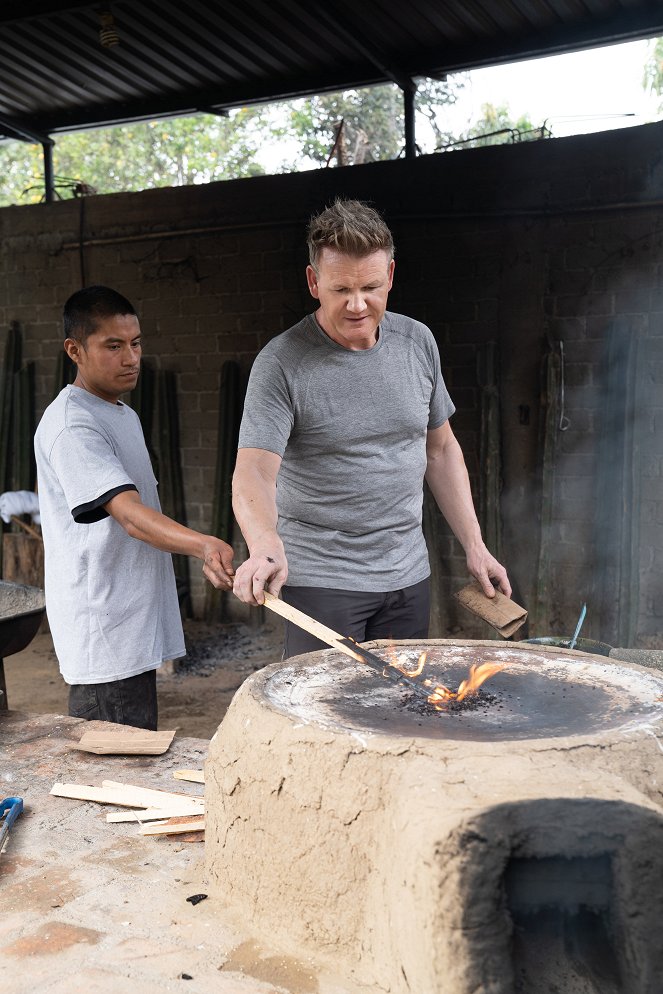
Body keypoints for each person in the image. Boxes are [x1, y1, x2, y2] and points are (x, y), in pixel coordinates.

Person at [232, 199, 510, 657]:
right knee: (325, 719)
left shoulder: (417, 342)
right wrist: (264, 544)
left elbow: (440, 452)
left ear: (391, 277)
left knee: (400, 711)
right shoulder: (282, 363)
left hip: (407, 575)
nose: (358, 304)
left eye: (371, 287)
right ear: (313, 282)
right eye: (341, 289)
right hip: (323, 580)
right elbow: (254, 472)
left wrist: (476, 546)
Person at [34, 285, 234, 730]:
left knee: (134, 755)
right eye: (113, 345)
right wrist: (203, 545)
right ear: (75, 350)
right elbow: (128, 515)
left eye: (136, 343)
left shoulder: (120, 412)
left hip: (129, 623)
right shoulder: (72, 424)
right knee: (118, 773)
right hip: (105, 637)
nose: (131, 357)